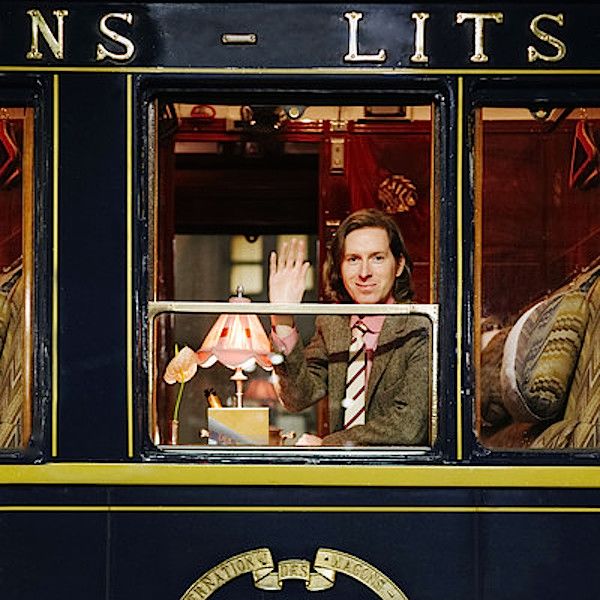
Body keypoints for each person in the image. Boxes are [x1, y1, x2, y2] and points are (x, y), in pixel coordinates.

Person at [269, 208, 431, 446]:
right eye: (353, 259)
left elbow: (408, 426)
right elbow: (298, 398)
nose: (364, 273)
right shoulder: (333, 324)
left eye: (377, 258)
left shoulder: (419, 326)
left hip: (401, 477)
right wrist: (282, 320)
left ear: (398, 265)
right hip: (341, 477)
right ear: (340, 268)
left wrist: (328, 445)